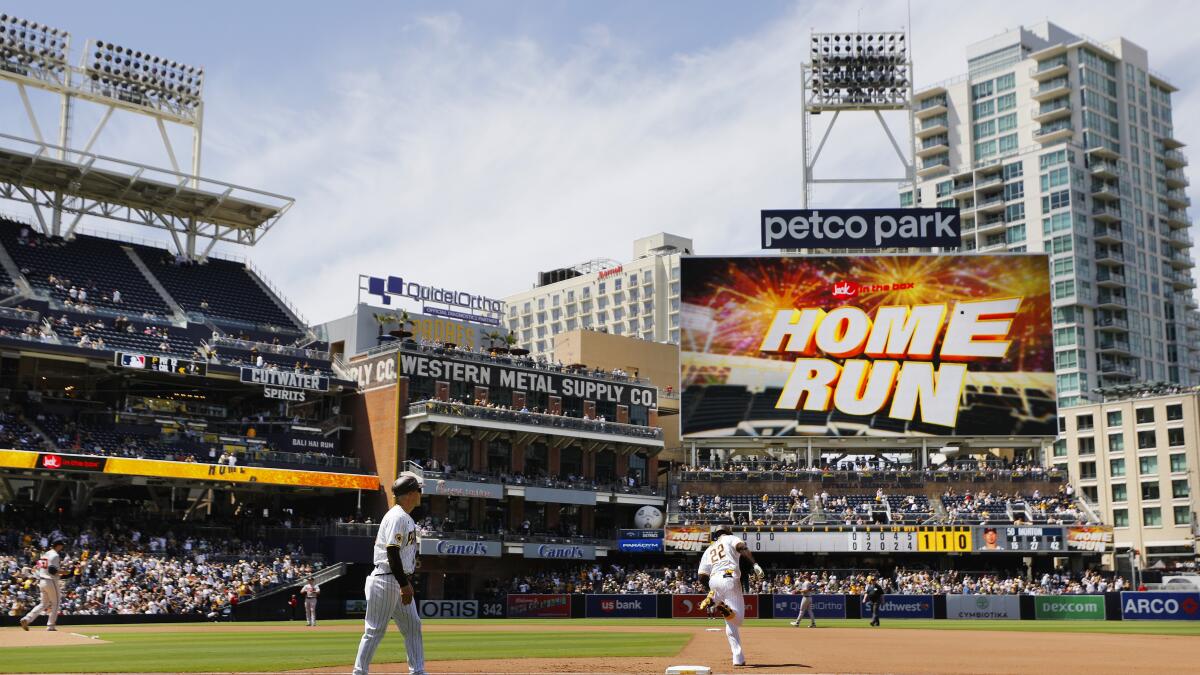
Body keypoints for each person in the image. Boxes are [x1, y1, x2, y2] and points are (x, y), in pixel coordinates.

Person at [353, 472, 426, 675]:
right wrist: (404, 584)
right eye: (418, 490)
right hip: (387, 580)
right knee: (375, 630)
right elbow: (391, 551)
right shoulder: (397, 516)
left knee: (413, 626)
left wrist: (404, 582)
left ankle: (418, 670)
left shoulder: (405, 517)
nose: (420, 494)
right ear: (410, 494)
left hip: (396, 579)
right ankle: (358, 672)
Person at [697, 525, 762, 668]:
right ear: (727, 532)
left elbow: (701, 576)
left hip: (714, 581)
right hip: (729, 577)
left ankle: (738, 657)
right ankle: (720, 605)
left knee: (730, 622)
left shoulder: (709, 549)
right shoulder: (730, 538)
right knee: (737, 620)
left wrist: (710, 589)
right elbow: (742, 547)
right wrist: (755, 564)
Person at [21, 538, 67, 631]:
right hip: (51, 581)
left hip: (42, 581)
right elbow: (53, 570)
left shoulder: (45, 554)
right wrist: (66, 572)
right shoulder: (55, 555)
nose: (62, 547)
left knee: (43, 604)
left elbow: (38, 565)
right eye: (61, 545)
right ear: (58, 545)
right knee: (56, 603)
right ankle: (51, 626)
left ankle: (27, 618)